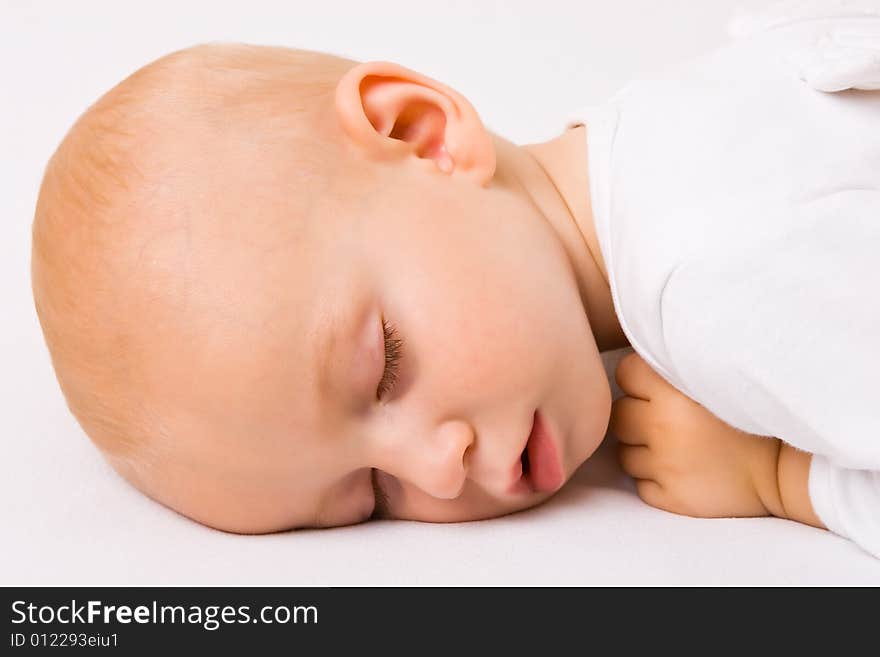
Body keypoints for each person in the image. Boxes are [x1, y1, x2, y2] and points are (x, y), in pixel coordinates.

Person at [30, 1, 880, 559]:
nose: (440, 470)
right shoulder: (667, 128)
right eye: (372, 496)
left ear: (423, 133)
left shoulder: (707, 283)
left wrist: (777, 473)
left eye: (386, 366)